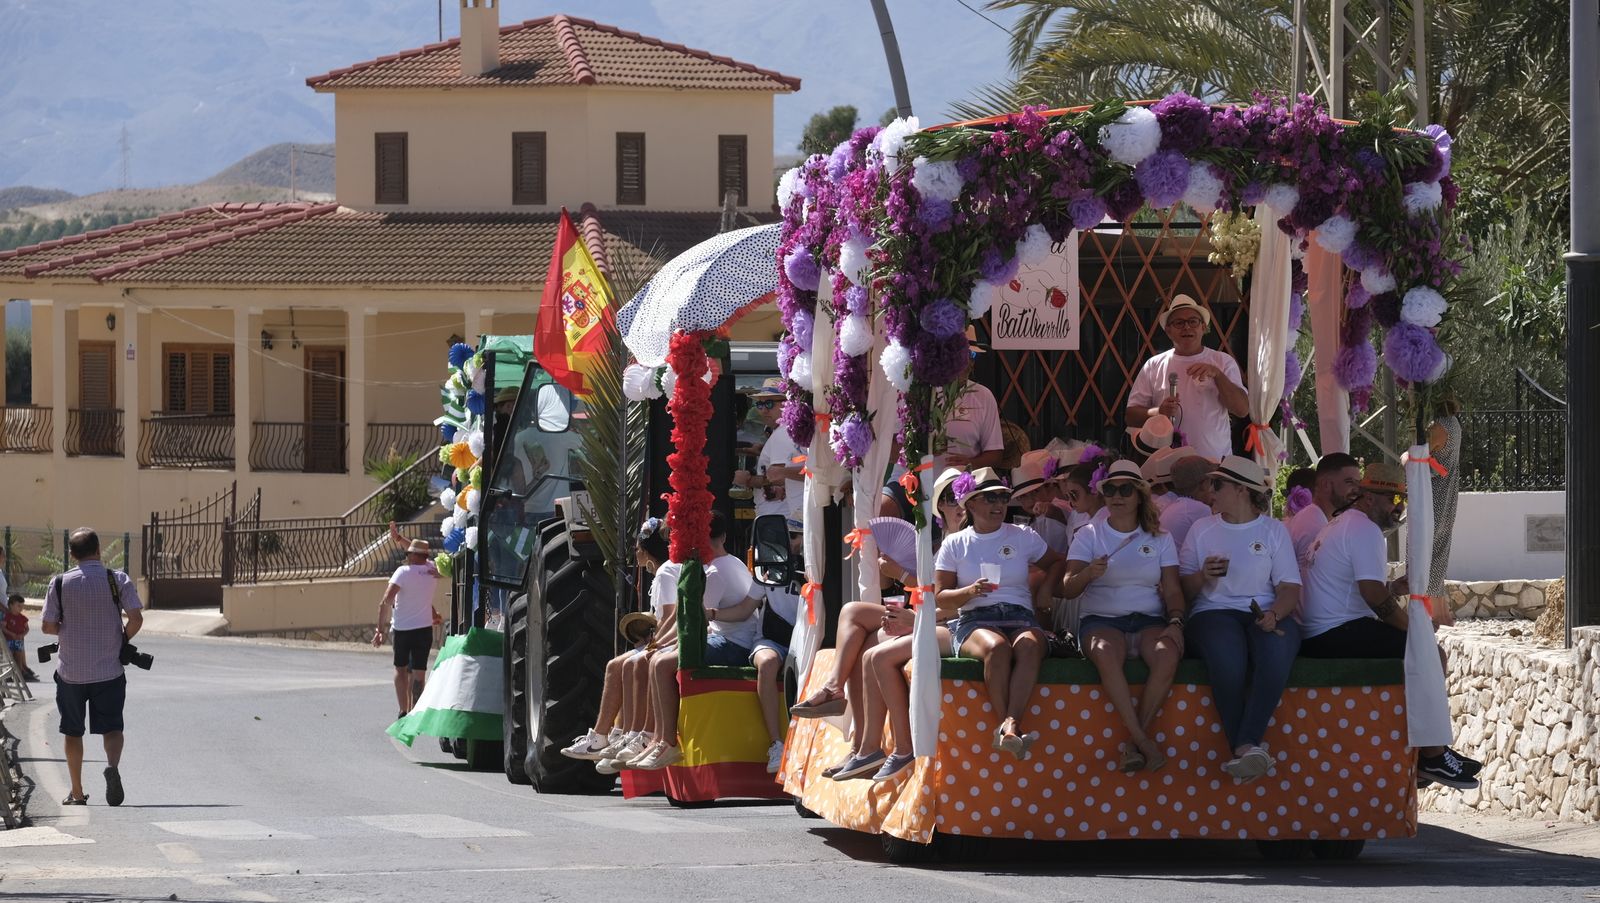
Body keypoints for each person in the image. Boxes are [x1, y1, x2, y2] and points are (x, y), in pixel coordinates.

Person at [1299, 463, 1482, 789]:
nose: (1398, 507)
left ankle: (1434, 752)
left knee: (1425, 649)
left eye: (1402, 500)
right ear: (1367, 498)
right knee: (1430, 654)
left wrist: (1394, 590)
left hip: (1325, 631)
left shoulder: (1342, 523)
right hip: (1335, 634)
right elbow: (1372, 598)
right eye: (1391, 499)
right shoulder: (1364, 530)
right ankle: (1433, 756)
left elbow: (1362, 590)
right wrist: (1416, 631)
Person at [815, 467, 967, 779]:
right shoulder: (940, 543)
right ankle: (856, 731)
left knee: (871, 648)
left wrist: (905, 588)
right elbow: (917, 590)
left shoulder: (968, 542)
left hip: (946, 622)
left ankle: (884, 747)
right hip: (925, 616)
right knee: (853, 614)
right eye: (951, 498)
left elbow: (956, 601)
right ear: (939, 507)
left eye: (965, 496)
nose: (960, 505)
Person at [1179, 456, 1302, 781]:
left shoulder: (1273, 530)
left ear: (1241, 490)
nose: (1210, 490)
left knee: (1278, 651)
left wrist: (1275, 614)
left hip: (1261, 611)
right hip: (1212, 613)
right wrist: (1202, 576)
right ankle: (1247, 746)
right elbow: (1181, 590)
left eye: (1217, 484)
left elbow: (1289, 588)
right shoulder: (1201, 529)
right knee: (1228, 657)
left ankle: (1245, 747)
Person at [1064, 461, 1185, 773]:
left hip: (1148, 620)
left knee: (1168, 654)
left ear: (1139, 496)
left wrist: (1175, 621)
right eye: (1110, 489)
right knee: (1106, 653)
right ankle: (1143, 742)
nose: (1117, 496)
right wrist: (1089, 573)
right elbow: (1067, 589)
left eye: (1126, 489)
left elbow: (1172, 589)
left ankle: (1135, 742)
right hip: (1101, 619)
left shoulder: (1161, 538)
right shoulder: (1088, 534)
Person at [935, 467, 1063, 760]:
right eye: (990, 498)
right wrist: (969, 592)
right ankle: (1008, 726)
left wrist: (1045, 590)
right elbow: (940, 597)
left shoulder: (1023, 535)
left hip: (1020, 614)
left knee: (1030, 645)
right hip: (975, 618)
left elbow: (1057, 562)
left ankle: (1009, 725)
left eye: (1003, 497)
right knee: (997, 647)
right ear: (971, 504)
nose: (999, 505)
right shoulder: (955, 543)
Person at [634, 510, 753, 770]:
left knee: (661, 663)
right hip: (727, 637)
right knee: (657, 659)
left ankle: (666, 741)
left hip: (734, 645)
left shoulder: (715, 573)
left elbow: (697, 620)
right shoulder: (731, 562)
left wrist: (664, 645)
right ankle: (657, 738)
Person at [41, 528, 144, 807]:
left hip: (70, 672)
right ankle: (112, 766)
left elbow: (48, 626)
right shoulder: (116, 579)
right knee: (112, 728)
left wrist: (69, 629)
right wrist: (121, 639)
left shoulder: (60, 583)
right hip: (109, 671)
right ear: (99, 550)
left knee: (73, 732)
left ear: (72, 555)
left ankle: (76, 792)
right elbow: (135, 618)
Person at [561, 517, 676, 766]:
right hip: (662, 637)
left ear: (645, 551)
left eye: (636, 549)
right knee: (616, 665)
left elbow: (669, 616)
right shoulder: (661, 574)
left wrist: (654, 643)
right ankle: (607, 735)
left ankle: (635, 734)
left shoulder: (666, 573)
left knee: (632, 663)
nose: (635, 553)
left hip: (668, 639)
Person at [1126, 295, 1248, 460]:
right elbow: (1130, 416)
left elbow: (1242, 410)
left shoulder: (1222, 362)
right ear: (1168, 331)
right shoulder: (1154, 365)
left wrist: (1218, 375)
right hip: (1166, 467)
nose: (1187, 327)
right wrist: (1158, 412)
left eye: (1193, 321)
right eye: (1179, 323)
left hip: (1213, 464)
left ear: (1203, 327)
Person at [374, 539, 445, 719]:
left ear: (413, 555)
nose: (407, 556)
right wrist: (434, 614)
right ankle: (416, 711)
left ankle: (403, 710)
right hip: (424, 629)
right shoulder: (432, 571)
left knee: (401, 669)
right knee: (419, 671)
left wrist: (379, 630)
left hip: (403, 629)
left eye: (409, 553)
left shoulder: (402, 572)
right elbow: (423, 599)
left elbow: (386, 601)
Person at [750, 553, 801, 773]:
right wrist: (711, 614)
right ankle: (776, 744)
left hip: (805, 639)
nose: (790, 542)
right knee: (768, 663)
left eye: (795, 536)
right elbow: (745, 607)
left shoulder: (815, 566)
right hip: (771, 641)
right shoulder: (765, 570)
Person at [1286, 452, 1362, 580]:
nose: (1357, 489)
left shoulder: (1314, 516)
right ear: (1326, 484)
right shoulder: (1315, 525)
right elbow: (1316, 583)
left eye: (1358, 483)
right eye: (1349, 482)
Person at [1426, 392, 1463, 625]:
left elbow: (1421, 452)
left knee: (1425, 549)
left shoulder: (1438, 427)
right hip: (1449, 490)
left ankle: (1430, 610)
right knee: (1440, 549)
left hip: (1433, 491)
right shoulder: (1455, 425)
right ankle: (1441, 612)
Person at [1159, 451, 1216, 549]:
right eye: (1212, 482)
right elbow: (1215, 544)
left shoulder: (1177, 506)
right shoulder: (1199, 509)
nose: (1214, 488)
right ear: (1204, 484)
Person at [6, 592, 40, 682]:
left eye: (22, 606)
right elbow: (3, 627)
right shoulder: (8, 616)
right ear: (11, 605)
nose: (21, 609)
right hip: (9, 640)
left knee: (19, 656)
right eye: (18, 606)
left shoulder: (23, 618)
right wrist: (11, 634)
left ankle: (20, 672)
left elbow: (27, 629)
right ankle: (10, 674)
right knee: (10, 657)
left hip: (18, 641)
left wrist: (22, 635)